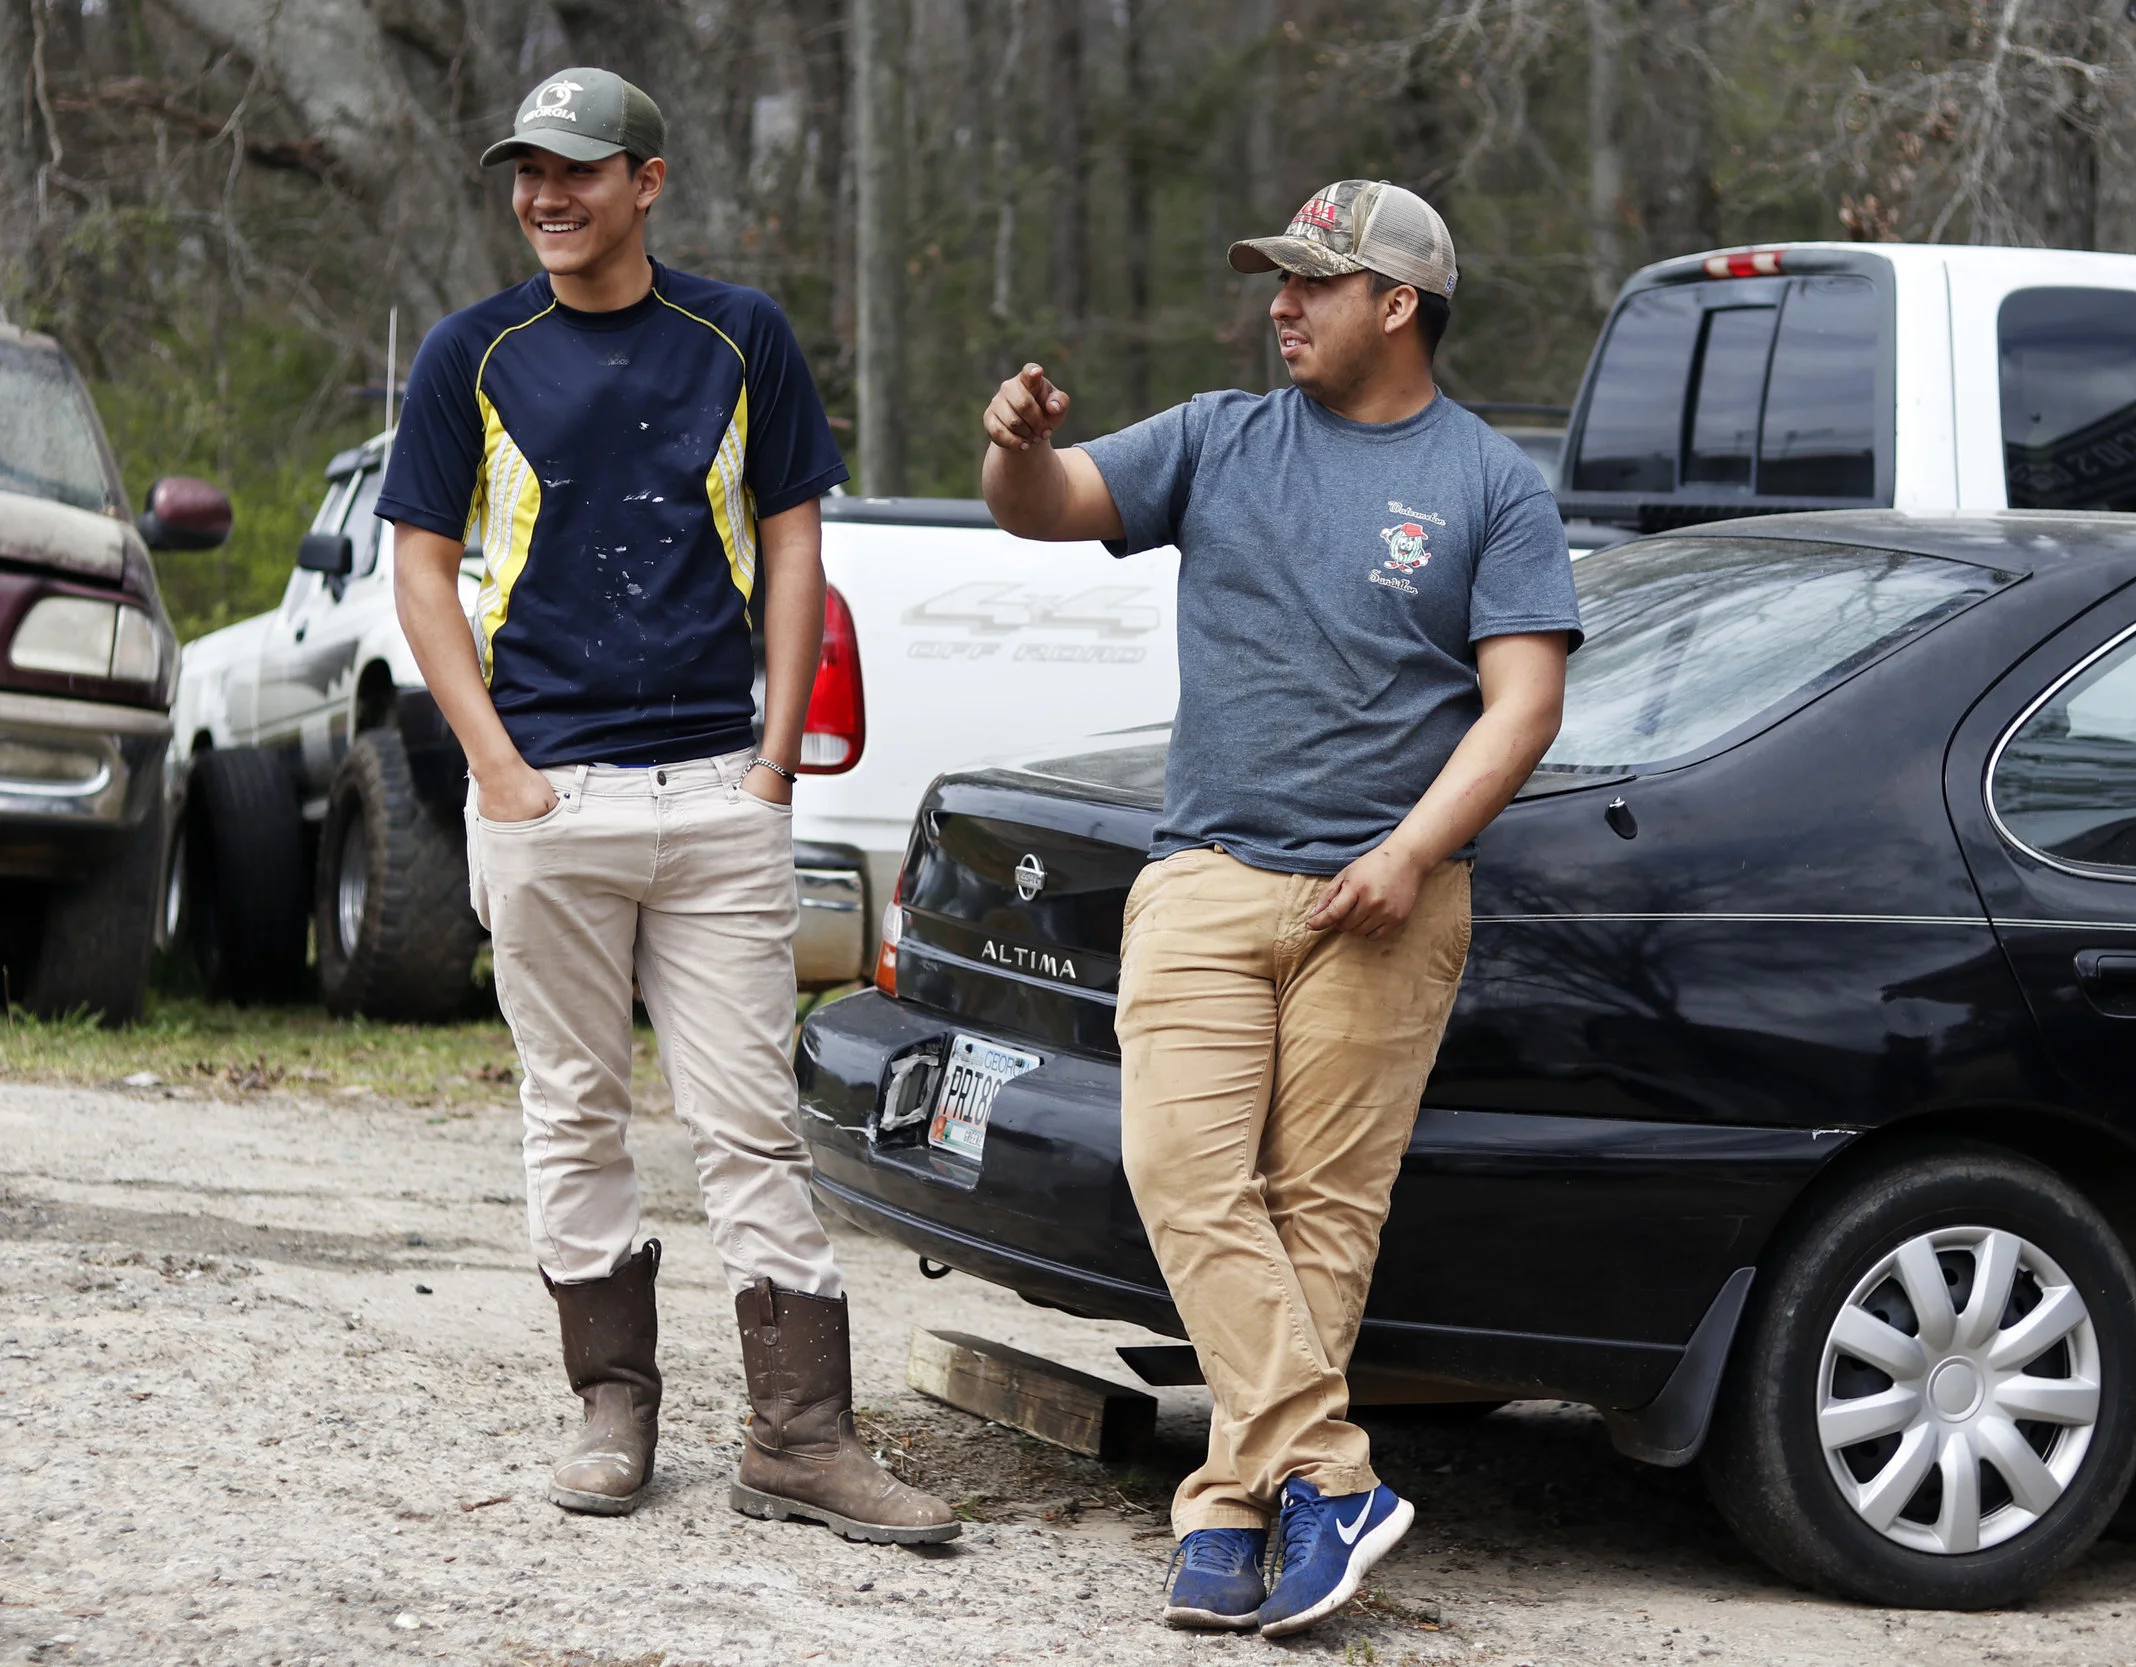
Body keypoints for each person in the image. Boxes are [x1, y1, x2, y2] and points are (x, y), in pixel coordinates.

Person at [980, 179, 1579, 1635]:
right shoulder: (1218, 437)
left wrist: (1414, 850)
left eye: (1314, 281)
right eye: (1278, 278)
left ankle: (1231, 1515)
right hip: (1207, 879)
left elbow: (1524, 703)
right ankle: (1333, 1473)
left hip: (1385, 903)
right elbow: (1050, 510)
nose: (1281, 302)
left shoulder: (1490, 486)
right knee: (1184, 1175)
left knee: (1324, 1218)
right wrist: (1017, 452)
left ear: (1399, 304)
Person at [381, 66, 955, 1544]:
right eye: (528, 172)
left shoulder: (739, 336)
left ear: (646, 181)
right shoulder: (473, 354)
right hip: (543, 792)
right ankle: (611, 1408)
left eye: (579, 170)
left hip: (715, 792)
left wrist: (771, 767)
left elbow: (793, 550)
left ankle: (801, 1436)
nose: (547, 196)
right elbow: (423, 574)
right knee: (571, 1111)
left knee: (750, 1121)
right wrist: (497, 768)